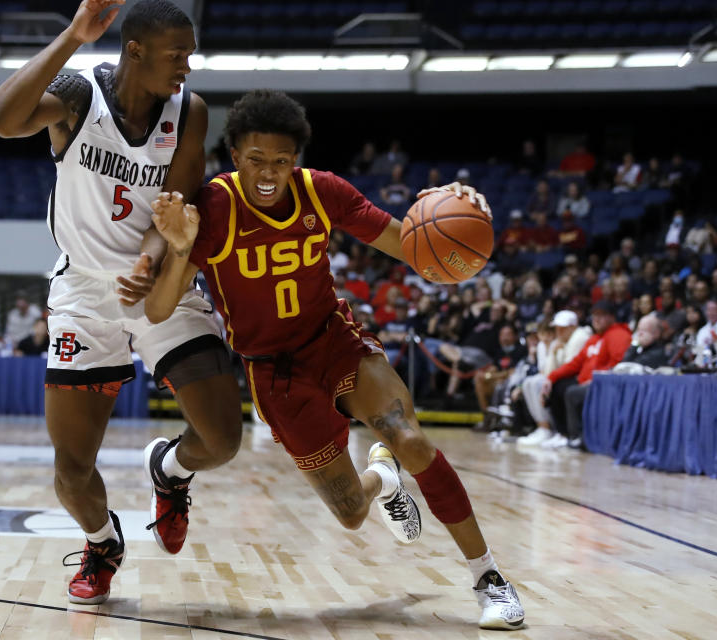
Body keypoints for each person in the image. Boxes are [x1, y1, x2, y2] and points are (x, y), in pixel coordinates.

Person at [146, 89, 525, 630]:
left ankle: (490, 578)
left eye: (281, 161)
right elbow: (158, 310)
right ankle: (382, 478)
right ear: (234, 157)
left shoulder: (322, 192)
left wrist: (452, 210)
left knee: (411, 438)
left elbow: (413, 248)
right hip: (273, 371)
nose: (270, 173)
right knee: (351, 514)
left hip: (333, 339)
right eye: (257, 161)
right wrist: (181, 249)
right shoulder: (213, 208)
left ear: (295, 159)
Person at [0, 0, 243, 605]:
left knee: (224, 441)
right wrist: (74, 35)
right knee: (71, 471)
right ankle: (102, 543)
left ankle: (170, 471)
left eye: (190, 53)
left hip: (158, 281)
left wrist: (150, 259)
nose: (187, 65)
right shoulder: (77, 96)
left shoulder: (191, 111)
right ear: (136, 50)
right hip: (82, 292)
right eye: (177, 54)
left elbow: (175, 200)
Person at [541, 301, 631, 449]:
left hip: (602, 383)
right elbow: (576, 363)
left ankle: (575, 436)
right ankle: (562, 434)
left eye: (601, 316)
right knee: (557, 385)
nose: (596, 319)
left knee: (570, 392)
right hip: (585, 380)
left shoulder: (618, 334)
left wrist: (594, 380)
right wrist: (551, 377)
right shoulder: (595, 338)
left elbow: (619, 365)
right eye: (595, 315)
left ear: (612, 318)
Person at [518, 310, 592, 446]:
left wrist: (551, 377)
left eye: (562, 328)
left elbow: (569, 366)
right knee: (529, 382)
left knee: (544, 384)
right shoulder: (562, 341)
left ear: (572, 327)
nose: (558, 332)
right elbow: (549, 370)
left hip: (577, 378)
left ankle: (552, 429)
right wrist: (552, 353)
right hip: (563, 375)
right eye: (557, 328)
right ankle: (542, 426)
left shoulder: (579, 337)